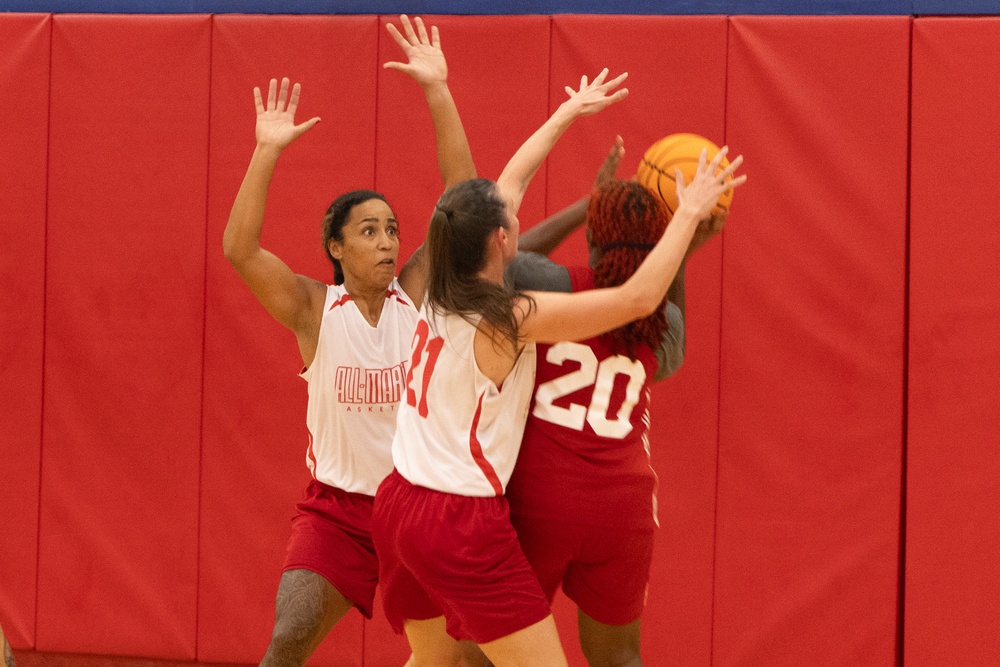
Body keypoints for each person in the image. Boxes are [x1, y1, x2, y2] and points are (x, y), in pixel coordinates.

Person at [370, 68, 745, 667]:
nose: (517, 216)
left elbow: (509, 183)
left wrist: (569, 113)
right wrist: (687, 214)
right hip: (460, 516)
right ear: (500, 238)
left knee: (437, 662)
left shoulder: (435, 284)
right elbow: (636, 302)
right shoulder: (512, 313)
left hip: (397, 500)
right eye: (510, 220)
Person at [222, 16, 476, 666]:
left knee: (468, 657)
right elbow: (240, 249)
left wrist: (438, 91)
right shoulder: (314, 307)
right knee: (287, 640)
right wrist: (267, 149)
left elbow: (463, 200)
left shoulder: (416, 291)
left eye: (392, 228)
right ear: (336, 246)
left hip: (418, 505)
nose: (388, 240)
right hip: (337, 512)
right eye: (369, 230)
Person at [504, 137, 730, 667]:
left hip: (540, 499)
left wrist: (587, 203)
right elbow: (656, 309)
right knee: (620, 659)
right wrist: (684, 238)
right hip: (624, 506)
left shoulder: (551, 285)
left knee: (487, 656)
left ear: (593, 234)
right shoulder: (661, 327)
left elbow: (504, 258)